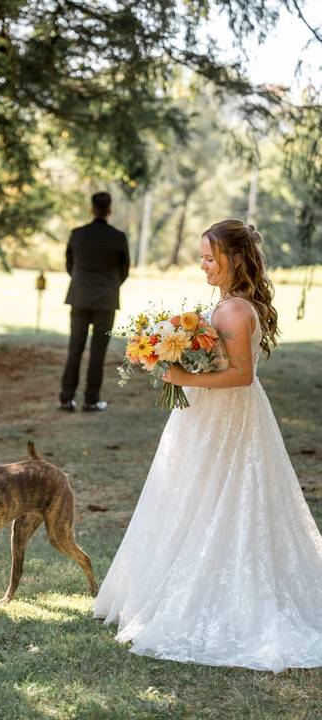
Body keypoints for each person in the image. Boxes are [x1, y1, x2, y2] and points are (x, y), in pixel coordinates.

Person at [93, 219, 322, 672]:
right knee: (192, 496)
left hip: (229, 419)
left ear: (234, 258)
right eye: (201, 257)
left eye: (209, 258)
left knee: (226, 497)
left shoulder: (236, 310)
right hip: (207, 415)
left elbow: (242, 375)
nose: (203, 265)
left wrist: (182, 375)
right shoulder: (227, 302)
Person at [59, 192, 130, 412]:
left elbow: (69, 265)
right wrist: (109, 285)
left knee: (75, 348)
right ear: (109, 210)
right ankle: (91, 399)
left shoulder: (77, 234)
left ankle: (66, 398)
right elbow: (124, 270)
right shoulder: (118, 237)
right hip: (106, 300)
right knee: (98, 351)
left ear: (92, 209)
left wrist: (82, 282)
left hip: (79, 297)